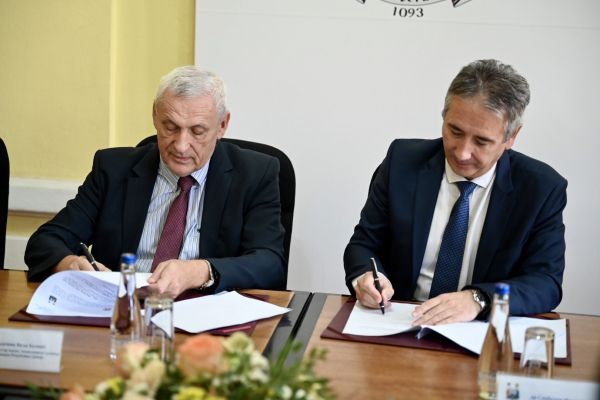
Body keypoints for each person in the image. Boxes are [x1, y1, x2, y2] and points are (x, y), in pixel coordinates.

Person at [25, 66, 286, 297]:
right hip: (121, 314)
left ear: (222, 125)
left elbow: (270, 263)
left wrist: (199, 271)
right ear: (154, 115)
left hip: (205, 319)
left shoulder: (254, 174)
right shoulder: (113, 169)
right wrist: (69, 264)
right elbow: (45, 241)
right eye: (170, 127)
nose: (181, 145)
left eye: (197, 131)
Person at [344, 59, 567, 324]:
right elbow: (364, 244)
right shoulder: (402, 162)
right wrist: (367, 278)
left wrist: (479, 299)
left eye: (481, 141)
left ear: (511, 137)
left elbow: (545, 282)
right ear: (444, 117)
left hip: (478, 330)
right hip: (401, 322)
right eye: (455, 131)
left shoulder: (541, 189)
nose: (462, 153)